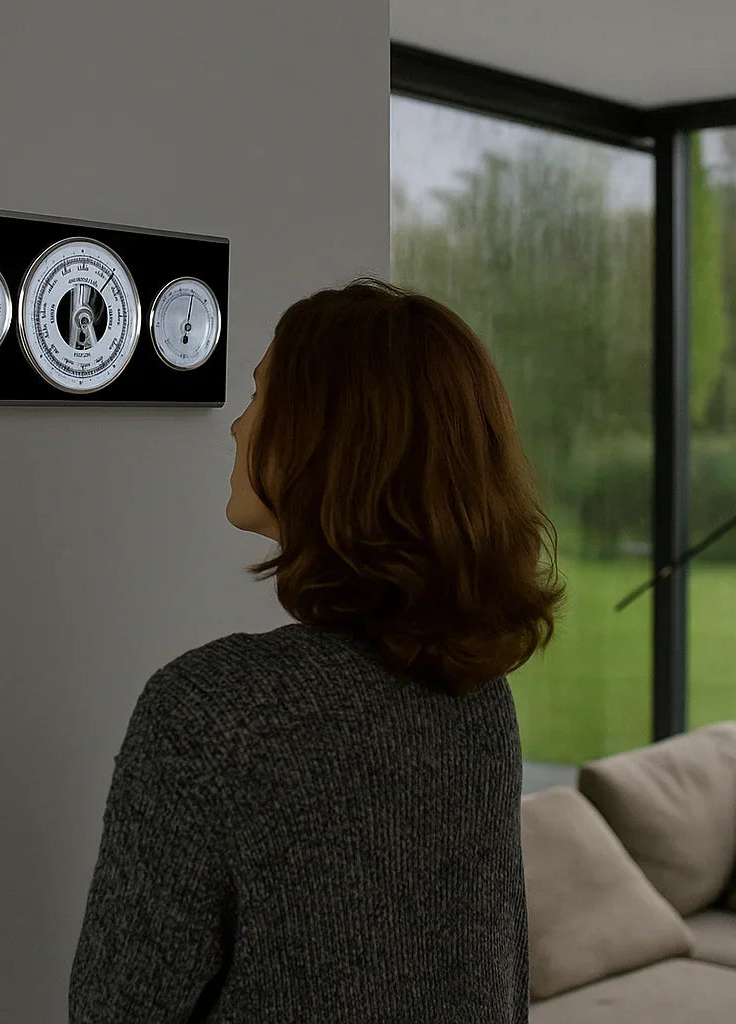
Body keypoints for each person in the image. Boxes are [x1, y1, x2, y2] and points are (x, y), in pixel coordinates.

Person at [68, 278, 565, 1023]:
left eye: (262, 396)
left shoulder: (214, 710)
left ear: (330, 438)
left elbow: (118, 1011)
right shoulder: (477, 698)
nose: (237, 427)